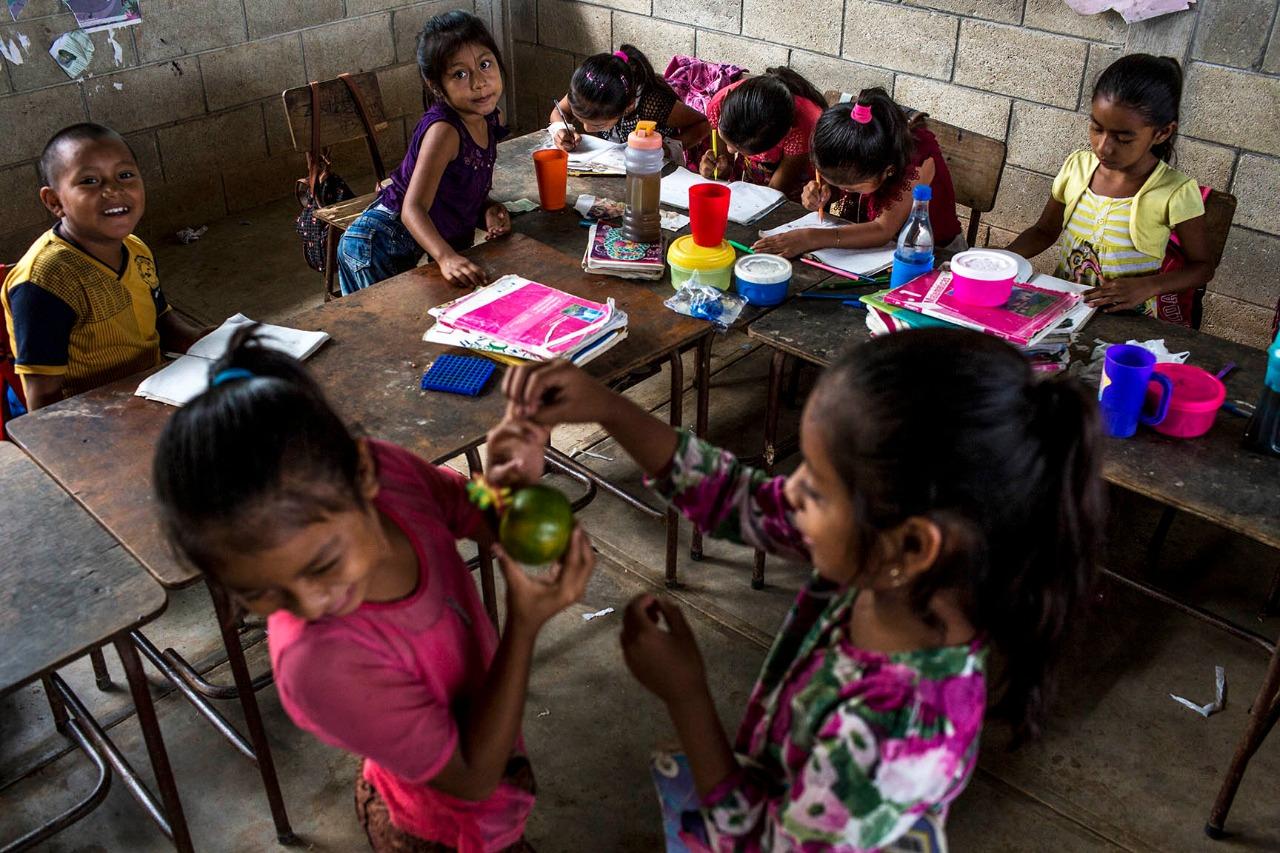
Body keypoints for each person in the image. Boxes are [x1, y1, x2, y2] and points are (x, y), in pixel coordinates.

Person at [500, 329, 1105, 850]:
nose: (787, 491)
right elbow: (736, 498)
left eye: (814, 487)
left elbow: (761, 844)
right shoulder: (890, 569)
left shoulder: (899, 738)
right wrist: (608, 407)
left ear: (912, 547)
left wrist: (686, 694)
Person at [152, 328, 596, 851]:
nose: (311, 605)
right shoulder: (319, 665)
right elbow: (474, 779)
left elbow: (474, 513)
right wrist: (523, 625)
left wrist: (506, 484)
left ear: (364, 473)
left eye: (323, 564)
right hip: (438, 830)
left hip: (484, 765)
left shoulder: (393, 476)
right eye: (260, 594)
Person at [1, 123, 205, 411]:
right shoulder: (45, 282)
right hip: (94, 417)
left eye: (125, 175)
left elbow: (162, 321)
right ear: (54, 201)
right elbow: (43, 400)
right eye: (89, 181)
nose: (113, 190)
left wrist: (202, 339)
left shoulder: (135, 248)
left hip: (155, 391)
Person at [1004, 54, 1211, 325]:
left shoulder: (1175, 191)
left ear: (1161, 133)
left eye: (1123, 138)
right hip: (1062, 310)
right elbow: (1044, 231)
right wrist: (1004, 257)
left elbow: (1203, 267)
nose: (1104, 146)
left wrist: (1149, 286)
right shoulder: (1077, 167)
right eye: (1096, 128)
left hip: (1127, 322)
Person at [337, 11, 511, 294]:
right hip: (376, 246)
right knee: (390, 334)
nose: (479, 82)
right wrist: (446, 257)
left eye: (485, 64)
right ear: (435, 85)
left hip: (411, 243)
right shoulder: (445, 131)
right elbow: (413, 208)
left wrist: (487, 210)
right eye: (460, 74)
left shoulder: (491, 118)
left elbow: (458, 189)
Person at [753, 88, 965, 257]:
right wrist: (821, 192)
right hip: (870, 251)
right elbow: (836, 186)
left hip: (934, 255)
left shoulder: (919, 160)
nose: (843, 190)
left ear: (887, 170)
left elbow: (883, 230)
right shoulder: (852, 141)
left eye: (850, 187)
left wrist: (810, 237)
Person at [549, 45, 709, 151]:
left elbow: (703, 124)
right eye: (580, 119)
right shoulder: (585, 94)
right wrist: (561, 129)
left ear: (628, 106)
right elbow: (560, 110)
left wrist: (666, 150)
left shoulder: (652, 104)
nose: (586, 129)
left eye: (598, 125)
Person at [698, 68, 826, 199]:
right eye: (727, 140)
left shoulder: (803, 127)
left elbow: (773, 194)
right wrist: (717, 169)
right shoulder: (719, 105)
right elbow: (724, 169)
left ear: (785, 134)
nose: (730, 150)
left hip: (803, 192)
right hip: (757, 181)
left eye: (740, 149)